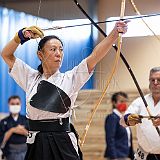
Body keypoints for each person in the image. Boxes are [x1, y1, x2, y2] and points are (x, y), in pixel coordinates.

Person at [1, 22, 128, 160]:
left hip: (63, 140)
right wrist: (20, 36)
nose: (58, 54)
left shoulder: (71, 78)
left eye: (61, 49)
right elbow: (6, 55)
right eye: (53, 49)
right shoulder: (30, 77)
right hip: (36, 140)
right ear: (40, 55)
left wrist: (114, 34)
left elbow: (95, 55)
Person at [120, 67, 160, 160]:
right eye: (152, 79)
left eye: (159, 79)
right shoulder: (140, 101)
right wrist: (128, 119)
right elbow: (122, 121)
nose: (155, 82)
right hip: (144, 155)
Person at [104, 92, 134, 160]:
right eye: (121, 101)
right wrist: (113, 157)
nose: (124, 103)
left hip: (124, 155)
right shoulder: (112, 118)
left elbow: (128, 139)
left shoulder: (123, 118)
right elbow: (110, 138)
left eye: (125, 101)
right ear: (114, 103)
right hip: (117, 156)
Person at [0, 95, 28, 160]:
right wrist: (12, 130)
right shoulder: (3, 121)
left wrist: (23, 130)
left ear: (20, 104)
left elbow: (31, 136)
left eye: (17, 104)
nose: (15, 106)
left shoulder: (26, 120)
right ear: (8, 105)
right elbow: (2, 140)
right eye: (12, 104)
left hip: (25, 151)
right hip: (10, 152)